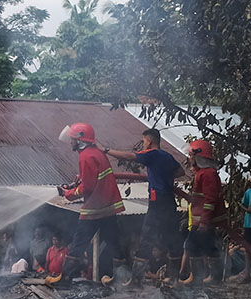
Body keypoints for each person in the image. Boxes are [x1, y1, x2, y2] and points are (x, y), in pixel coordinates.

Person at [99, 128, 185, 285]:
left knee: (147, 238)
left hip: (157, 202)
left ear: (150, 141)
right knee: (172, 238)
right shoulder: (167, 156)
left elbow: (130, 156)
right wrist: (163, 175)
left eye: (144, 141)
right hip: (169, 201)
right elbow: (180, 171)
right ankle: (173, 279)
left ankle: (136, 281)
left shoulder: (152, 154)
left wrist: (105, 150)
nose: (143, 144)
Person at [56, 122, 124, 283]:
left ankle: (64, 278)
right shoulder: (95, 154)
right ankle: (123, 278)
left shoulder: (85, 156)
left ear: (80, 140)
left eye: (72, 139)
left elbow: (87, 187)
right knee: (114, 242)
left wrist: (68, 194)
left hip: (94, 209)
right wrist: (78, 181)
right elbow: (91, 179)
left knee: (78, 242)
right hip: (107, 207)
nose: (71, 142)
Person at [182, 139, 227, 286]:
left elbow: (210, 199)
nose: (189, 158)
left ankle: (196, 278)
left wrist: (204, 221)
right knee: (208, 246)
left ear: (198, 156)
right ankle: (214, 278)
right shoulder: (203, 172)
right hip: (201, 219)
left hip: (202, 220)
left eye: (191, 155)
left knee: (191, 246)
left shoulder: (208, 174)